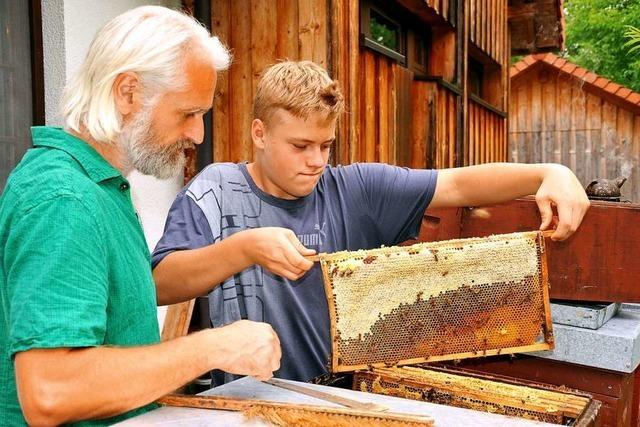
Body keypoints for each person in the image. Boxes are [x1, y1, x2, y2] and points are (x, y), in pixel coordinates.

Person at [152, 61, 590, 385]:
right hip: (246, 408)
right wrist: (243, 248)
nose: (316, 161)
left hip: (348, 400)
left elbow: (456, 185)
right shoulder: (216, 190)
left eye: (326, 145)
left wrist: (548, 173)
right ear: (260, 133)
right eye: (301, 145)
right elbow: (159, 283)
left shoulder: (357, 190)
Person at [0, 6, 281, 426]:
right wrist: (214, 347)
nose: (198, 134)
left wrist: (242, 250)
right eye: (187, 112)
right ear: (128, 92)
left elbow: (125, 302)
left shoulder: (100, 188)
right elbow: (50, 391)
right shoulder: (63, 198)